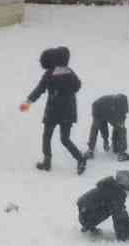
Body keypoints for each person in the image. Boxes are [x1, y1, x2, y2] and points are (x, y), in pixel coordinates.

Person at [23, 46, 87, 174]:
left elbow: (40, 89)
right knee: (65, 139)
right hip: (68, 110)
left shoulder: (50, 73)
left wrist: (28, 101)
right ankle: (80, 159)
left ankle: (47, 161)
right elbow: (77, 86)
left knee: (47, 136)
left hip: (53, 110)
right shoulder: (70, 72)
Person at [76, 169, 129, 240]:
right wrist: (124, 236)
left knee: (116, 209)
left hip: (84, 215)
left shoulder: (110, 187)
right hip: (87, 216)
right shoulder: (115, 192)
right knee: (117, 210)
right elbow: (119, 215)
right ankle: (125, 234)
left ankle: (89, 227)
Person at [86, 93, 129, 162]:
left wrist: (108, 140)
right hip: (98, 108)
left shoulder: (121, 103)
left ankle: (116, 147)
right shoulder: (116, 106)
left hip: (103, 108)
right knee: (96, 128)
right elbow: (105, 126)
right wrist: (105, 140)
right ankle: (90, 150)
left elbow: (117, 125)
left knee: (119, 127)